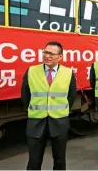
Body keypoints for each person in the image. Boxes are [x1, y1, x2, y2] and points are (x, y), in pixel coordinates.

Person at [21, 41, 77, 170]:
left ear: (60, 57)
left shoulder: (68, 73)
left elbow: (71, 96)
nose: (47, 56)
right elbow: (25, 95)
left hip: (59, 122)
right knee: (34, 161)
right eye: (45, 52)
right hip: (36, 122)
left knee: (59, 160)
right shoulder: (31, 71)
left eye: (52, 53)